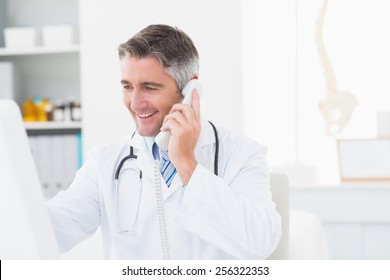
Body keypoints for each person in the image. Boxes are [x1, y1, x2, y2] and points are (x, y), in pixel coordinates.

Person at [47, 24, 281, 259]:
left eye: (149, 88)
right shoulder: (106, 162)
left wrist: (188, 164)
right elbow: (54, 227)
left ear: (190, 89)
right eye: (128, 87)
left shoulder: (242, 154)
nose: (135, 103)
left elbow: (260, 242)